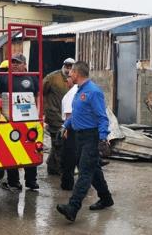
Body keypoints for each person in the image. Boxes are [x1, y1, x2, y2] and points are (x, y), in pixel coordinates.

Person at [56, 61, 114, 222]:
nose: (69, 75)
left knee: (85, 172)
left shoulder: (93, 92)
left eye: (71, 72)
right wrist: (65, 126)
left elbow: (102, 117)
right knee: (93, 169)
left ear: (77, 73)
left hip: (91, 137)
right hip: (80, 137)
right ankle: (106, 198)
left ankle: (73, 208)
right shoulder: (79, 91)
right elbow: (76, 114)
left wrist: (103, 138)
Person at [0, 54, 40, 192]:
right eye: (12, 63)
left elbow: (38, 95)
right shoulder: (3, 77)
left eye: (17, 63)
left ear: (25, 64)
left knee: (31, 149)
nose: (14, 65)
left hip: (29, 120)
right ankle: (13, 181)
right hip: (9, 120)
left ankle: (31, 181)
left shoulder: (32, 77)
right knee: (11, 150)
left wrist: (40, 114)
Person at [42, 58, 75, 175]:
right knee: (59, 144)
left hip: (67, 117)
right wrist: (43, 110)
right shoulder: (53, 77)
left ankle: (52, 167)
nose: (68, 68)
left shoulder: (74, 80)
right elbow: (41, 91)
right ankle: (62, 171)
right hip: (54, 116)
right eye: (67, 65)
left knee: (57, 143)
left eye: (71, 66)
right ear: (63, 65)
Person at [59, 76, 78, 190]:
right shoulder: (78, 90)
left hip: (71, 128)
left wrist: (66, 129)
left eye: (69, 77)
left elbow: (69, 114)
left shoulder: (73, 92)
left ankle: (67, 184)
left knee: (68, 158)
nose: (66, 80)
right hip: (77, 127)